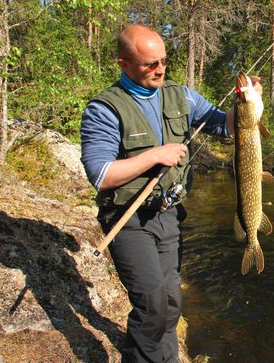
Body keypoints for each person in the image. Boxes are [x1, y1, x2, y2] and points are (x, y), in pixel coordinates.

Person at [80, 24, 260, 363]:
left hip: (170, 216)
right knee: (151, 306)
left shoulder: (183, 96)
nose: (159, 69)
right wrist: (154, 155)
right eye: (149, 64)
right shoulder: (104, 109)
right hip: (128, 218)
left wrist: (247, 104)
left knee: (172, 304)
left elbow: (225, 125)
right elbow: (101, 174)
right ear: (124, 64)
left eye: (163, 60)